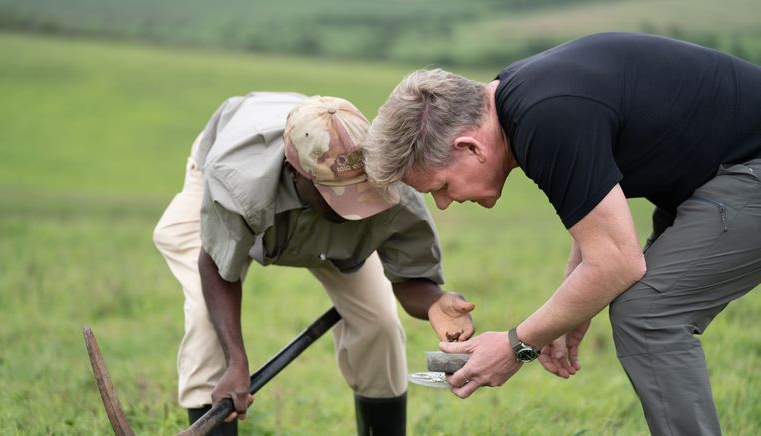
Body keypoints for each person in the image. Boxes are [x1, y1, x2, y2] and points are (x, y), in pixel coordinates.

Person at [362, 32, 761, 435]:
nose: (445, 203)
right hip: (716, 173)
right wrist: (570, 308)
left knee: (647, 314)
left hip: (747, 166)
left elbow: (618, 262)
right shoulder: (520, 100)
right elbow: (593, 208)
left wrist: (517, 346)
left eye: (442, 187)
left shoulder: (546, 116)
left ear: (469, 147)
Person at [152, 92, 475, 435]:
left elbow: (412, 279)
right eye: (336, 192)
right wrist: (237, 361)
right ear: (295, 173)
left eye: (360, 190)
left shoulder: (392, 190)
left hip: (327, 228)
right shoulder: (237, 183)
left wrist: (435, 303)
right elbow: (216, 266)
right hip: (229, 184)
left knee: (380, 325)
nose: (349, 204)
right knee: (207, 322)